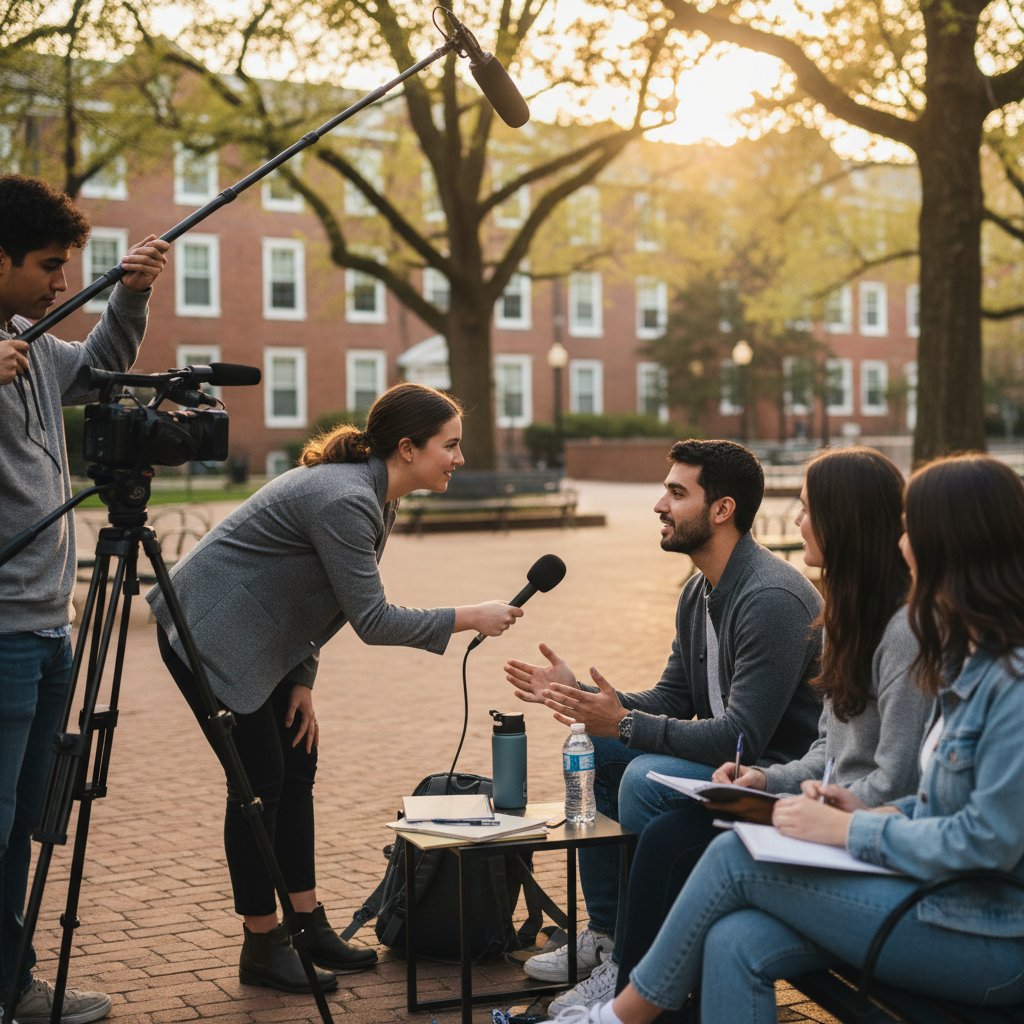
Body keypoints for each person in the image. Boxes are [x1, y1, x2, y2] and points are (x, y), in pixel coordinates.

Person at [554, 453, 1024, 1024]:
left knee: (722, 851)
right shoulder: (929, 646)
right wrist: (776, 786)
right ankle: (623, 973)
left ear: (953, 545)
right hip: (922, 885)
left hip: (976, 924)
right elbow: (889, 781)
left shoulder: (978, 669)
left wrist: (853, 826)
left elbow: (981, 834)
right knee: (734, 939)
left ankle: (617, 1014)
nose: (902, 544)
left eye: (913, 530)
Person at [146, 381, 524, 994]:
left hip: (264, 644)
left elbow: (326, 600)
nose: (459, 458)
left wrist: (300, 678)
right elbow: (373, 619)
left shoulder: (375, 497)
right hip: (207, 635)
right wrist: (467, 615)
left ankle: (307, 924)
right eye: (450, 446)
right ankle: (262, 944)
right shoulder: (346, 499)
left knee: (297, 765)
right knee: (257, 787)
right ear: (407, 448)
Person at [505, 439, 823, 986]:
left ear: (722, 510)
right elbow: (673, 698)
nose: (659, 505)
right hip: (737, 759)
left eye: (677, 493)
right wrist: (584, 697)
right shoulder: (699, 589)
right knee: (597, 747)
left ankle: (646, 962)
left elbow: (739, 739)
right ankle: (607, 935)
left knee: (643, 779)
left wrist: (624, 723)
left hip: (779, 772)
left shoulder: (770, 596)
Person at [0, 174, 169, 1024]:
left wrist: (130, 297)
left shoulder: (31, 343)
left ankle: (14, 981)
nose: (62, 284)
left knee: (30, 818)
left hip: (48, 627)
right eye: (46, 266)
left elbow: (102, 364)